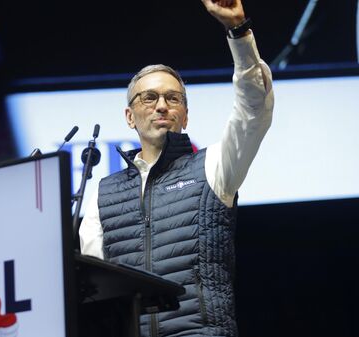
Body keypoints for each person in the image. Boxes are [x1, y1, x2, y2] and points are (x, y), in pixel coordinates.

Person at [78, 0, 274, 336]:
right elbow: (94, 291)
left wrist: (239, 31)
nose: (161, 107)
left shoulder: (212, 167)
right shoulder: (102, 193)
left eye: (173, 98)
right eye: (148, 98)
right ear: (130, 117)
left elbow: (254, 109)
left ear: (185, 115)